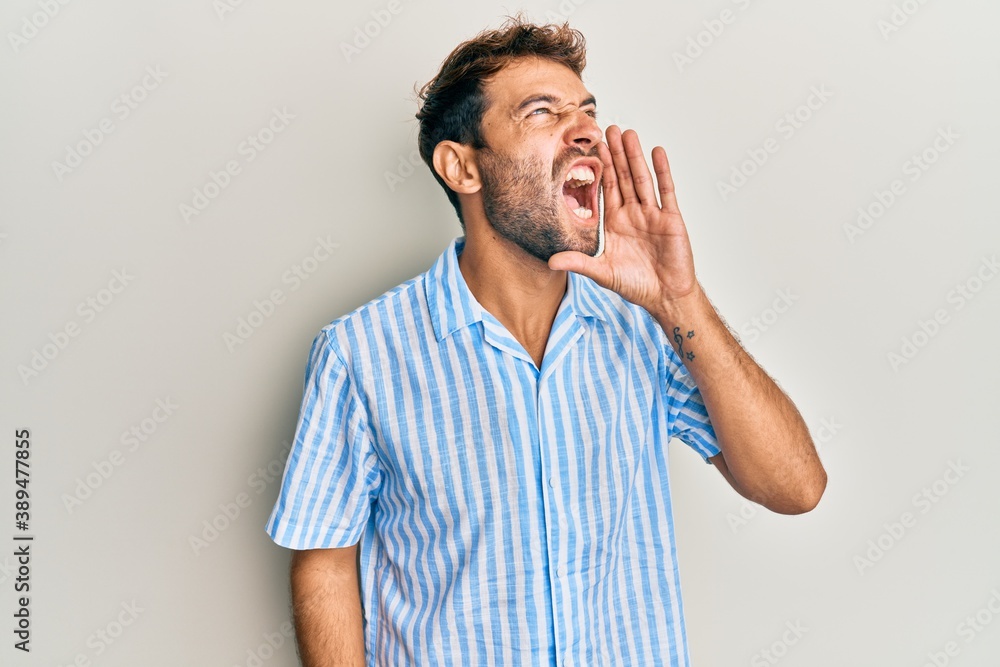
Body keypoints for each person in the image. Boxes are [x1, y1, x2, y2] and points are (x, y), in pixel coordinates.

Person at [265, 15, 826, 667]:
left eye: (587, 111)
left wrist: (679, 299)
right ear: (461, 167)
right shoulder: (362, 352)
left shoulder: (643, 326)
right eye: (542, 113)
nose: (586, 129)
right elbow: (325, 561)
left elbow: (795, 487)